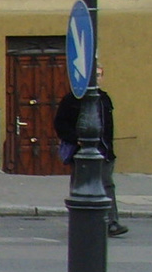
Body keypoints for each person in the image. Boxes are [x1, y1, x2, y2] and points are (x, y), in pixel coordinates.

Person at [53, 68, 128, 237]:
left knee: (107, 185)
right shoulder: (72, 99)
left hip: (104, 152)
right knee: (79, 187)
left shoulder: (104, 99)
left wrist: (109, 149)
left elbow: (109, 128)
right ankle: (79, 222)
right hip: (81, 152)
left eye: (100, 75)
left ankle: (111, 223)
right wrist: (76, 139)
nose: (97, 79)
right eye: (94, 75)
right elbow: (60, 124)